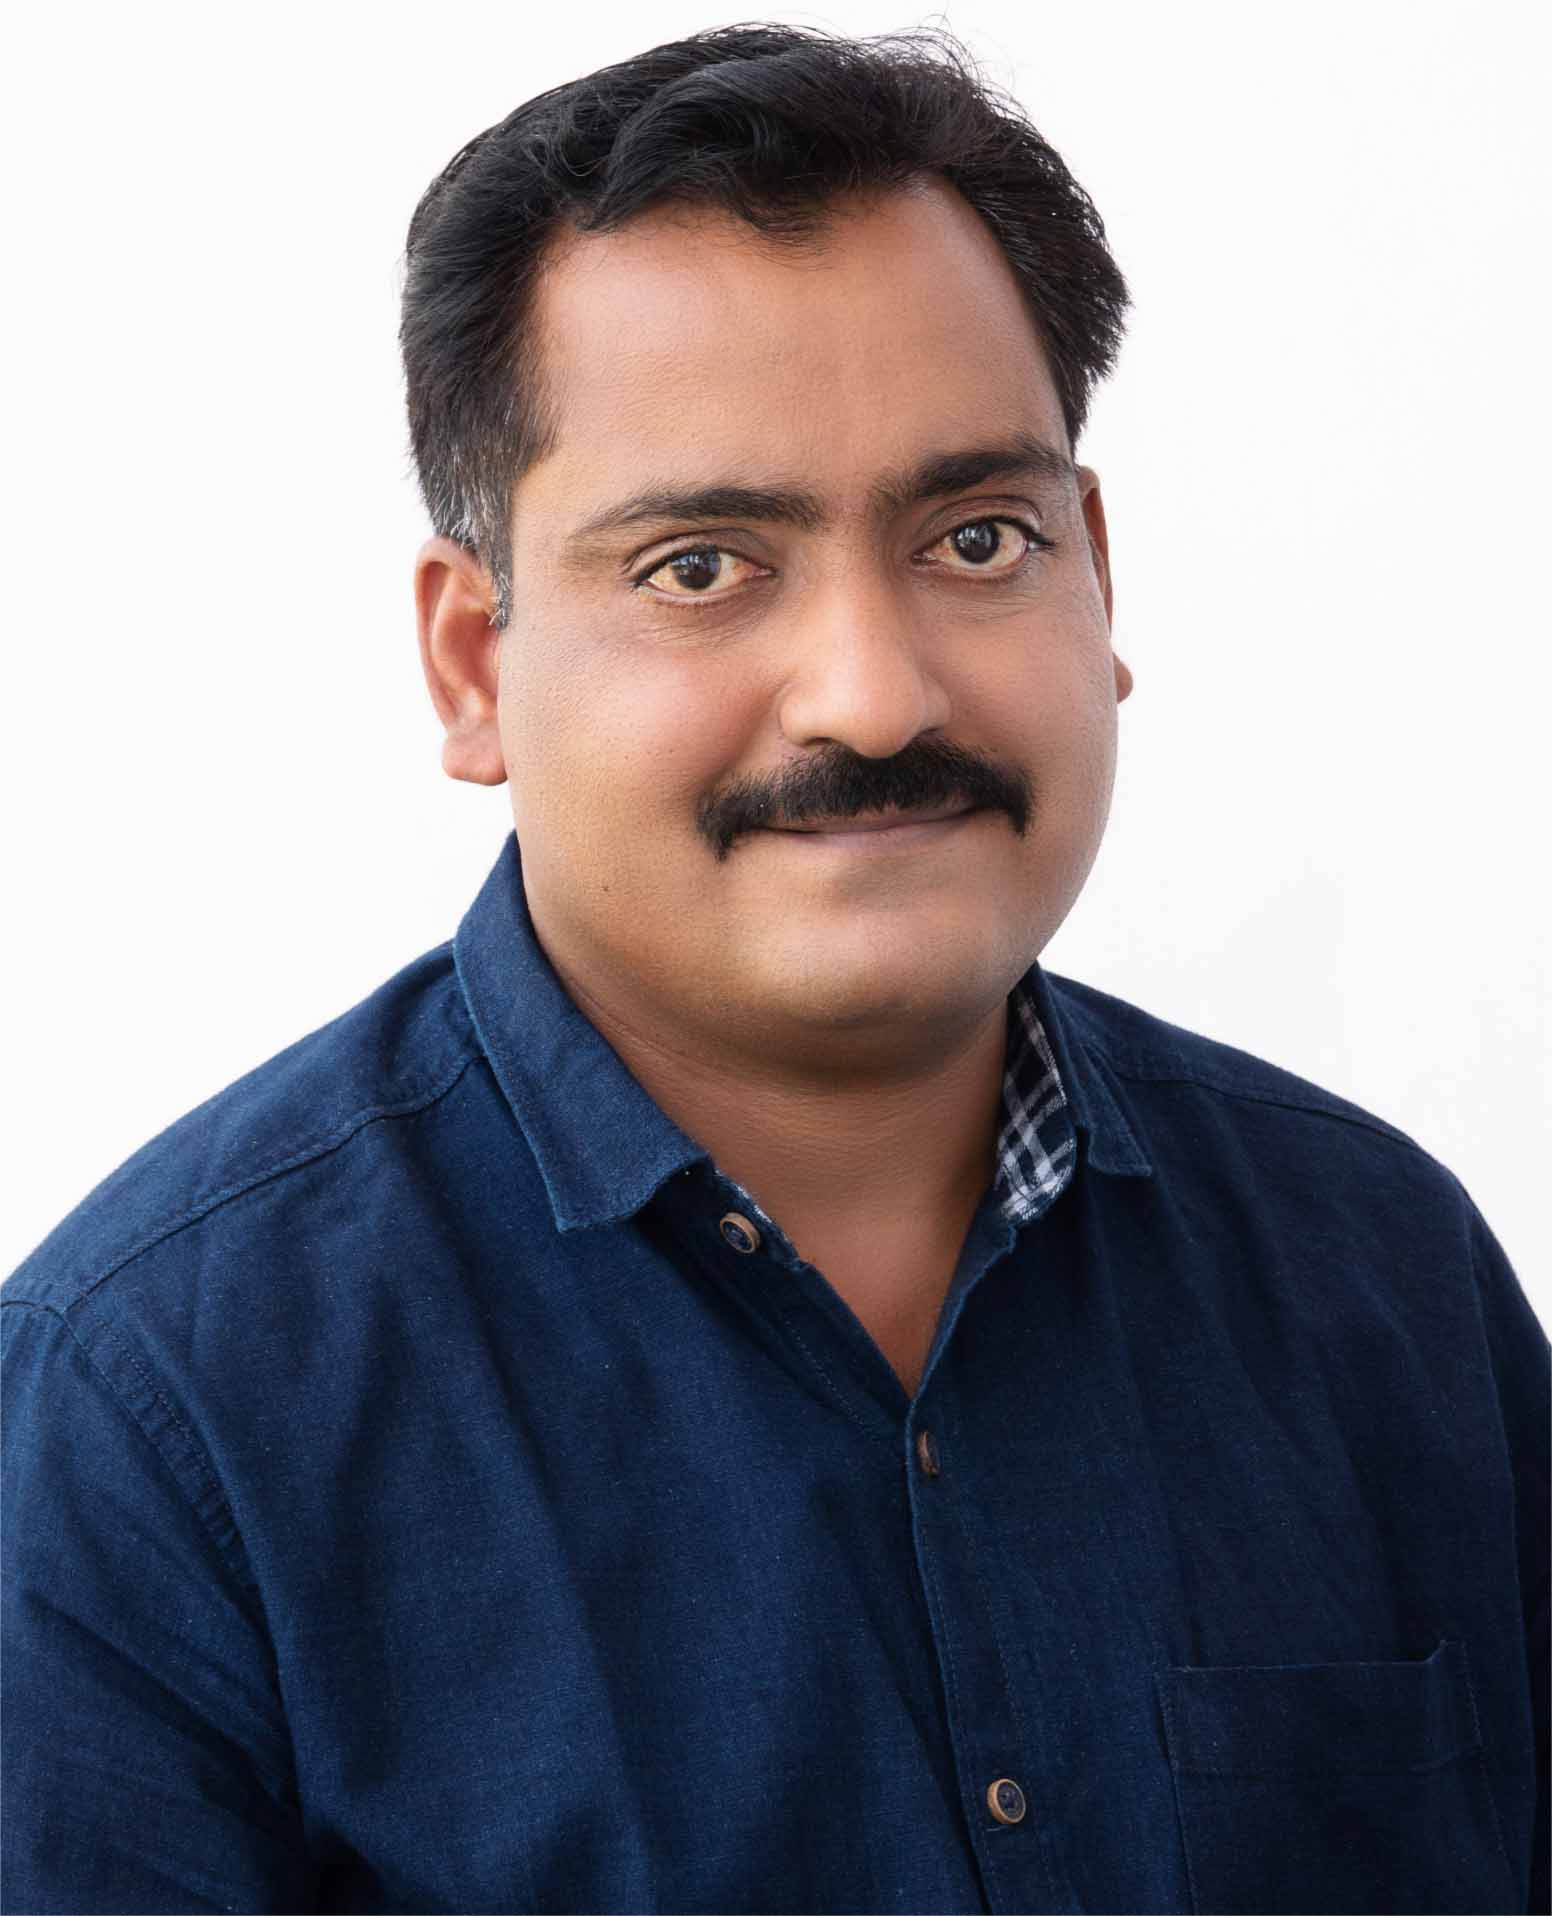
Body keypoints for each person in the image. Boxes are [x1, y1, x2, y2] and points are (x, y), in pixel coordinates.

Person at [2, 21, 1545, 1914]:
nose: (875, 696)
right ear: (475, 663)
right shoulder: (148, 1417)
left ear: (1099, 577)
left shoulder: (1387, 1278)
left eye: (977, 537)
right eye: (702, 567)